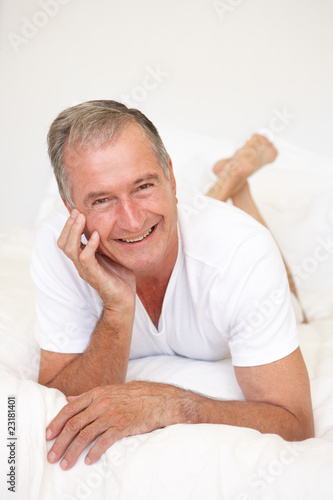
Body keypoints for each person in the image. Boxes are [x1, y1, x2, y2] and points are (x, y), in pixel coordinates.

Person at [31, 100, 314, 472]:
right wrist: (117, 309)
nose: (131, 220)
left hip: (232, 246)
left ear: (171, 176)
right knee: (154, 228)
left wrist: (176, 406)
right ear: (71, 207)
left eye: (144, 185)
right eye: (102, 200)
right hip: (191, 230)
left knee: (297, 307)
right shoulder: (57, 249)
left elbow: (296, 424)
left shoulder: (242, 251)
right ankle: (225, 183)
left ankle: (235, 186)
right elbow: (60, 399)